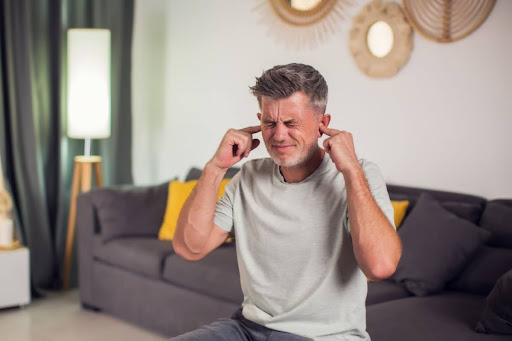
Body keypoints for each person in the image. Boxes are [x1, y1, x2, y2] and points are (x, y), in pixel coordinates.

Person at [171, 63, 402, 341]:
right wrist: (215, 168)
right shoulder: (248, 177)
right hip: (247, 330)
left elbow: (380, 267)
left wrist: (351, 171)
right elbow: (189, 248)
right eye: (270, 123)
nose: (279, 135)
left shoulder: (359, 175)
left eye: (292, 123)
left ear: (323, 124)